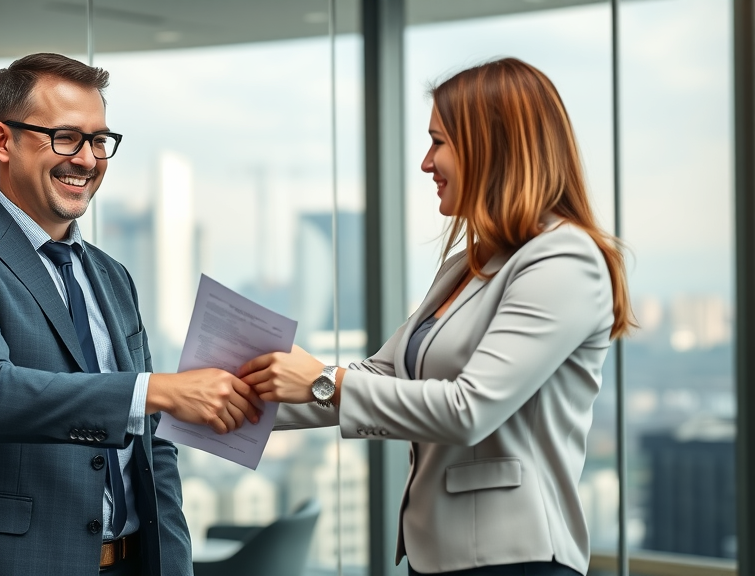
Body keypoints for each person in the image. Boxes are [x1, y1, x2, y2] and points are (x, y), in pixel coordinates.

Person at [239, 58, 633, 576]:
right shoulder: (464, 269)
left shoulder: (563, 260)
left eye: (438, 141)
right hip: (444, 557)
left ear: (492, 146)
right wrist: (233, 398)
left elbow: (469, 410)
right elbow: (382, 376)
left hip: (515, 558)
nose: (426, 163)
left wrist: (319, 381)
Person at [0, 53, 261, 576]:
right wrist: (153, 389)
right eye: (66, 137)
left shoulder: (111, 276)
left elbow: (153, 447)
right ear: (3, 141)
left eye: (99, 141)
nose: (89, 160)